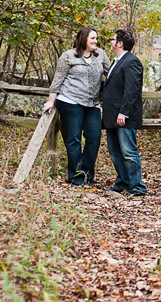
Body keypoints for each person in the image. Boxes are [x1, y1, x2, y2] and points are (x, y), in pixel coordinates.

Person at [43, 27, 110, 187]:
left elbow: (111, 73)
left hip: (92, 103)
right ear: (83, 39)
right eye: (92, 38)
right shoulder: (68, 56)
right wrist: (51, 101)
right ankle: (77, 177)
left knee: (94, 138)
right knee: (74, 138)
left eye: (96, 38)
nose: (95, 41)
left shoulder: (101, 54)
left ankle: (88, 175)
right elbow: (58, 80)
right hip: (70, 100)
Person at [102, 29, 146, 196]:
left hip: (124, 116)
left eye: (112, 39)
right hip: (112, 115)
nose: (110, 42)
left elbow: (132, 90)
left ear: (120, 43)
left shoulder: (132, 62)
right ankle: (123, 182)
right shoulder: (116, 61)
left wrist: (124, 113)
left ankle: (137, 187)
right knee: (114, 151)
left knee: (128, 152)